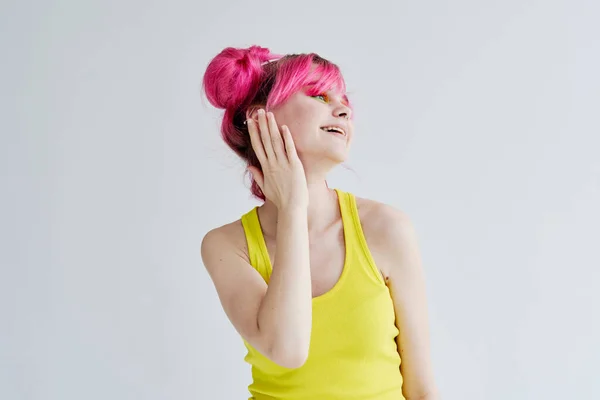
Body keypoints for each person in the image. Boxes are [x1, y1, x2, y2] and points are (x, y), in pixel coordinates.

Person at [200, 45, 440, 400]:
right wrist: (293, 210)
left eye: (343, 101)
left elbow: (421, 389)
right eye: (318, 95)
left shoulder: (387, 228)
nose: (343, 110)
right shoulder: (226, 246)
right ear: (260, 118)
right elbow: (288, 350)